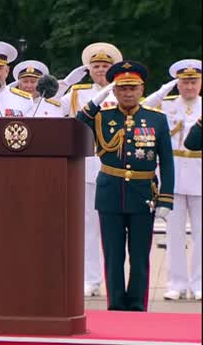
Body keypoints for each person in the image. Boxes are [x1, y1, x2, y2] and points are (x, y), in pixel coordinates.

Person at [76, 60, 174, 311]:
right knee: (113, 255)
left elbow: (167, 162)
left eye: (133, 88)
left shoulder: (157, 120)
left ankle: (137, 306)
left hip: (143, 194)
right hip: (111, 194)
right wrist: (95, 101)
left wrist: (165, 198)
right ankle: (117, 305)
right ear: (115, 91)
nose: (128, 93)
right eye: (122, 88)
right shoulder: (102, 117)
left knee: (140, 256)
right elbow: (77, 125)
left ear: (142, 90)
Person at [60, 42, 123, 297]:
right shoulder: (78, 93)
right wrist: (66, 81)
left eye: (105, 66)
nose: (100, 70)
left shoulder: (122, 90)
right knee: (87, 224)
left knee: (113, 225)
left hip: (115, 165)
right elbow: (52, 105)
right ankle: (91, 278)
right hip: (85, 163)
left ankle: (114, 279)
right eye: (96, 66)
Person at [141, 59, 201, 301]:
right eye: (184, 82)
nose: (189, 87)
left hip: (200, 172)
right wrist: (166, 88)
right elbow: (144, 106)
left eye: (193, 81)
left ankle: (199, 284)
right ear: (178, 83)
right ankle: (176, 283)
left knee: (201, 234)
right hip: (173, 173)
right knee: (174, 233)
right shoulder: (166, 105)